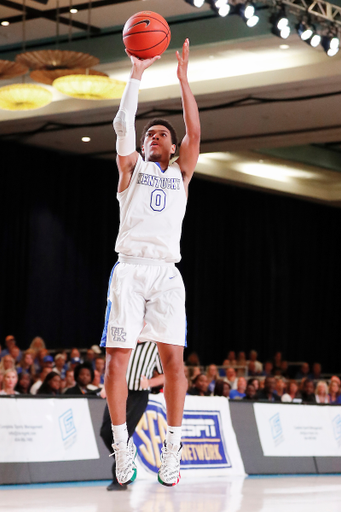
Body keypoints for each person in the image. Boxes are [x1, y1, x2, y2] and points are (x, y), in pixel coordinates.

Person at [100, 38, 200, 488]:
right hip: (130, 268)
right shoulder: (131, 171)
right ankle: (122, 448)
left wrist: (182, 80)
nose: (151, 137)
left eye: (161, 134)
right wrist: (138, 72)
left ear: (173, 146)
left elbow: (195, 134)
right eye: (148, 134)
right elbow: (123, 122)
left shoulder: (181, 174)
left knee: (174, 361)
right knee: (116, 363)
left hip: (166, 274)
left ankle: (172, 449)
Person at [100, 341, 164, 491]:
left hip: (137, 395)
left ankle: (120, 480)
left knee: (123, 434)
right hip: (117, 390)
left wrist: (149, 382)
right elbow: (111, 365)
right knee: (105, 432)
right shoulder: (123, 341)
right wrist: (105, 385)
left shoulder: (154, 347)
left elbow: (166, 374)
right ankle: (126, 461)